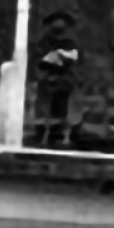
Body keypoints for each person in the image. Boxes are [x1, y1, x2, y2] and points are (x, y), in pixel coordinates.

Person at [33, 10, 80, 147]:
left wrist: (62, 59)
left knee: (60, 110)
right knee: (43, 109)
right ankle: (41, 134)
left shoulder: (70, 44)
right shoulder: (44, 43)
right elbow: (40, 60)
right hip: (46, 82)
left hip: (63, 83)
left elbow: (73, 60)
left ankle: (58, 135)